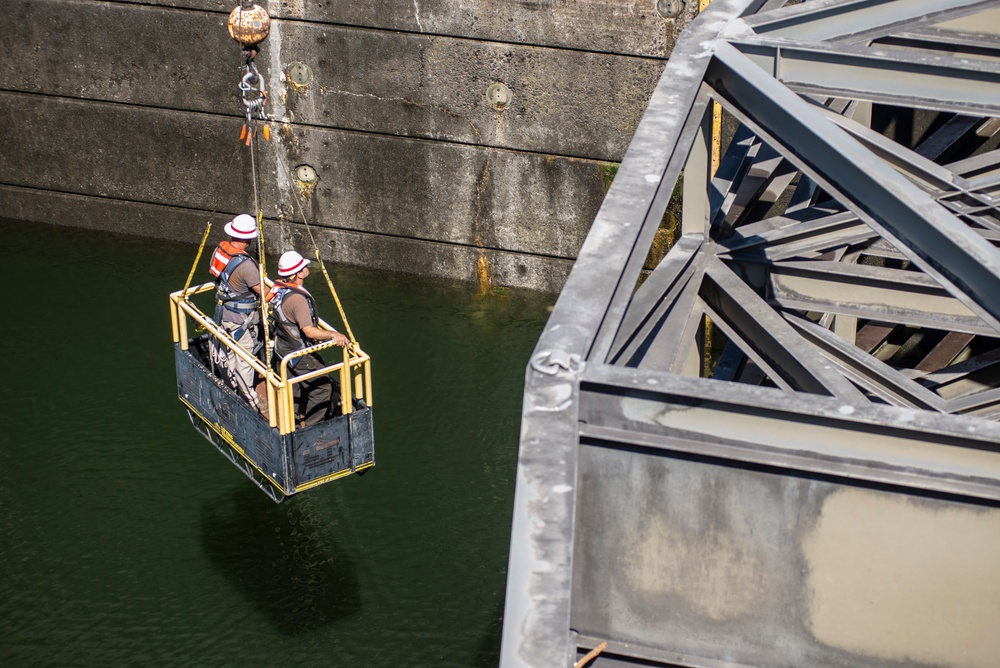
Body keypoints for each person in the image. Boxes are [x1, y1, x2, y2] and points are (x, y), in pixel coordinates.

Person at [267, 250, 351, 427]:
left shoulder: (279, 290)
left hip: (282, 350)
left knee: (293, 387)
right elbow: (308, 331)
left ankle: (294, 421)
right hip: (297, 353)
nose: (306, 268)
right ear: (298, 273)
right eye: (304, 266)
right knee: (323, 388)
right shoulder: (297, 300)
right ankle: (310, 429)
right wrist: (333, 335)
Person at [208, 213, 267, 412]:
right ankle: (250, 397)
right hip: (242, 319)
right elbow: (264, 294)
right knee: (245, 359)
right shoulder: (246, 266)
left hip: (223, 312)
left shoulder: (220, 250)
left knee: (229, 352)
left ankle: (231, 385)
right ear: (248, 238)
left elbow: (215, 273)